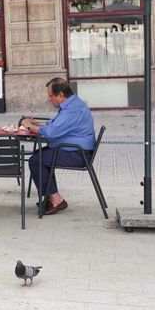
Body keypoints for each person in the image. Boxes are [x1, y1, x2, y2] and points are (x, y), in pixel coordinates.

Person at [20, 77, 96, 216]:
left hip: (79, 154)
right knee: (38, 156)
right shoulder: (71, 105)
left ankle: (56, 200)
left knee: (36, 161)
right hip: (72, 149)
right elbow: (56, 126)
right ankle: (50, 196)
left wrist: (30, 126)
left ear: (61, 95)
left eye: (51, 95)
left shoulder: (72, 109)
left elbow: (51, 133)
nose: (49, 99)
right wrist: (37, 125)